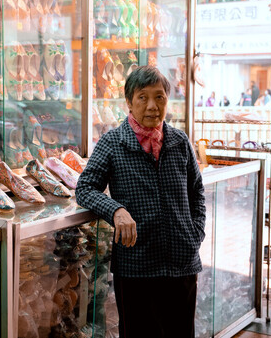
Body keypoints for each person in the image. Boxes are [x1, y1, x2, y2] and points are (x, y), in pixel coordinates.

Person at [76, 66, 206, 338]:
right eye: (142, 97)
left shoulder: (179, 141)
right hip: (137, 265)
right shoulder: (112, 142)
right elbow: (85, 188)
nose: (152, 106)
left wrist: (195, 235)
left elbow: (197, 192)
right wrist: (117, 210)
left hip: (182, 261)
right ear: (129, 103)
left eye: (159, 97)